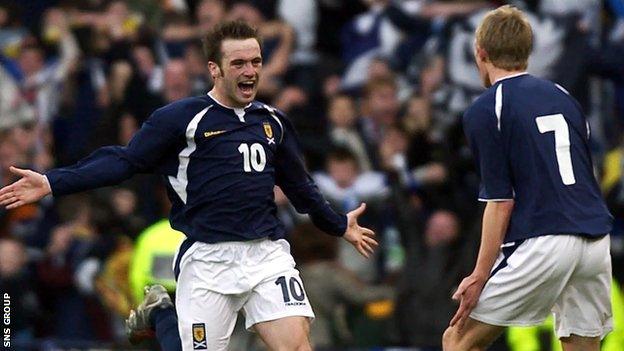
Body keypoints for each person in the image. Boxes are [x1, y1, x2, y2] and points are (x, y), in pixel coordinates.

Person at [0, 21, 377, 351]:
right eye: (239, 63)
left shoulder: (273, 122)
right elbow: (125, 161)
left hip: (266, 256)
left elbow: (301, 188)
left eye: (256, 62)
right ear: (215, 69)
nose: (250, 71)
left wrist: (338, 224)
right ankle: (162, 311)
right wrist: (53, 181)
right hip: (208, 259)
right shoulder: (182, 119)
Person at [442, 5, 613, 351]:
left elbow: (500, 202)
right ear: (526, 52)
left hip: (545, 236)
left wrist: (479, 274)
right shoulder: (564, 97)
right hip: (594, 236)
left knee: (459, 340)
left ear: (481, 52)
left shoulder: (487, 108)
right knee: (582, 345)